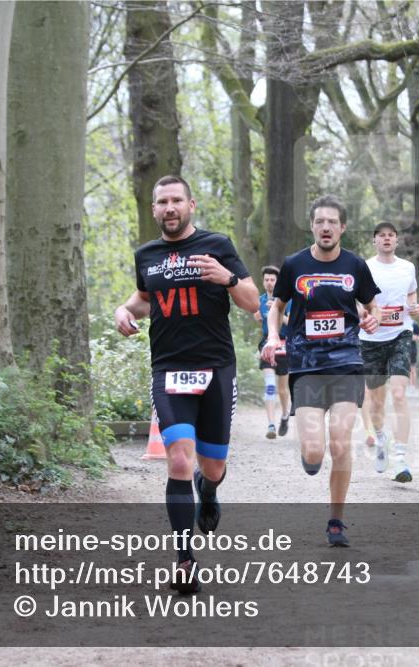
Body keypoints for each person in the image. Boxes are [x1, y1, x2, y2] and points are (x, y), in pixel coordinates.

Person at [115, 175, 258, 593]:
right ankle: (184, 559)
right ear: (155, 209)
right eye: (162, 202)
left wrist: (226, 278)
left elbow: (252, 302)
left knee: (211, 467)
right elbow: (144, 297)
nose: (170, 208)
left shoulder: (218, 246)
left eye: (177, 200)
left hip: (216, 368)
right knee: (178, 459)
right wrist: (123, 312)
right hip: (169, 369)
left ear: (191, 205)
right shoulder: (148, 255)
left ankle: (208, 491)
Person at [261, 194, 380, 547]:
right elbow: (276, 305)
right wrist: (272, 334)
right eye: (319, 222)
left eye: (332, 222)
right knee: (315, 452)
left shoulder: (355, 265)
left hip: (346, 363)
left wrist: (370, 318)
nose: (325, 227)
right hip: (307, 367)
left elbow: (370, 304)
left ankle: (336, 522)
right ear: (312, 226)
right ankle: (310, 455)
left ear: (342, 227)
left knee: (341, 444)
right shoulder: (294, 264)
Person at [359, 222, 419, 483]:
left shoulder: (407, 267)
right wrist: (363, 313)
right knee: (375, 401)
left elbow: (411, 295)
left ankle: (401, 458)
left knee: (398, 394)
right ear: (374, 241)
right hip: (370, 339)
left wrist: (414, 308)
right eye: (381, 236)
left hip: (400, 335)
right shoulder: (364, 267)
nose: (386, 239)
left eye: (391, 236)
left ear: (396, 241)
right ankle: (381, 439)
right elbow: (354, 298)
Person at [253, 266, 292, 439]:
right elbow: (259, 319)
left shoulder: (287, 300)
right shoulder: (259, 300)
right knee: (270, 385)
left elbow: (291, 323)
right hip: (267, 343)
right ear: (263, 282)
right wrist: (259, 317)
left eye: (273, 280)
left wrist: (278, 311)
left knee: (283, 389)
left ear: (277, 282)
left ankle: (284, 416)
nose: (269, 283)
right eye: (267, 280)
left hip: (284, 344)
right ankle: (270, 425)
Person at [409, 321, 419, 389]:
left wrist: (418, 337)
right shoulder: (399, 323)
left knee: (412, 369)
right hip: (401, 350)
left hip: (412, 350)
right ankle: (408, 386)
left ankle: (413, 387)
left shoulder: (414, 324)